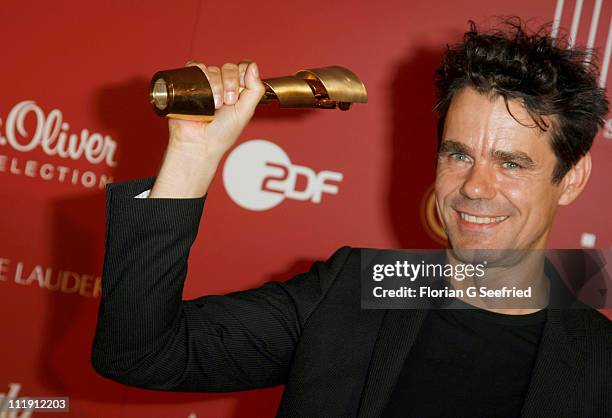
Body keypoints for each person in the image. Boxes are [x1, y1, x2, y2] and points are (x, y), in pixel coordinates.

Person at [91, 19, 612, 417]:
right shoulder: (351, 290)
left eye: (511, 162)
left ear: (571, 178)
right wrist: (191, 155)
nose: (475, 186)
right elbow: (139, 353)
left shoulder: (601, 366)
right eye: (457, 154)